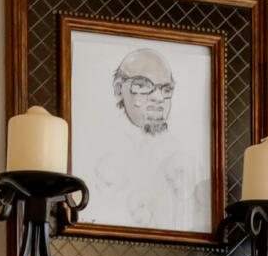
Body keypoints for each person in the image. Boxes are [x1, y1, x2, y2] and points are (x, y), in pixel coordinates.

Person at [85, 45, 211, 234]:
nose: (158, 97)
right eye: (143, 85)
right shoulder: (99, 146)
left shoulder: (185, 154)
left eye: (166, 89)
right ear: (119, 89)